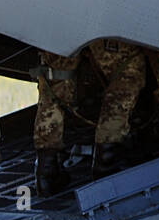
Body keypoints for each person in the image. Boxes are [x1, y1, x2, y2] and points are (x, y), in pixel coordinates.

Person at [34, 39, 146, 193]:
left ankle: (46, 170)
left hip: (58, 24)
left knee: (55, 81)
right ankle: (106, 161)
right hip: (104, 24)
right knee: (127, 72)